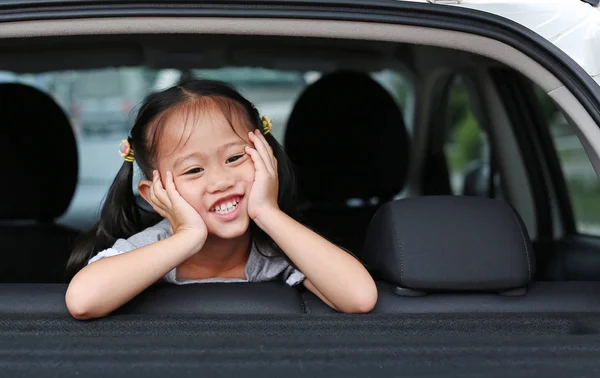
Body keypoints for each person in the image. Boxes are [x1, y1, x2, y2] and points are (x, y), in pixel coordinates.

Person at [65, 79, 378, 320]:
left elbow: (360, 297)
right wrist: (188, 237)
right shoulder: (148, 249)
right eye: (194, 169)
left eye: (235, 158)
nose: (221, 181)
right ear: (155, 193)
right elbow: (83, 301)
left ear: (267, 157)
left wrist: (268, 211)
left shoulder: (275, 252)